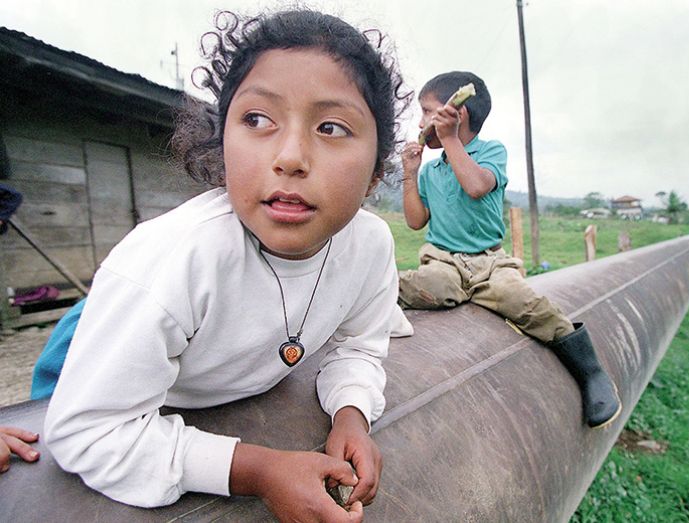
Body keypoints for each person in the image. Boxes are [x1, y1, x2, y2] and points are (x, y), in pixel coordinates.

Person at [44, 9, 411, 521]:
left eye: (331, 126)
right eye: (257, 120)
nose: (290, 157)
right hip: (100, 340)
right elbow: (88, 429)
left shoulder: (370, 245)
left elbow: (359, 344)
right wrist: (259, 470)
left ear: (376, 172)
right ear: (222, 143)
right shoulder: (173, 261)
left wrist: (351, 414)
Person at [398, 71, 621, 429]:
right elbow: (415, 220)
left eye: (427, 112)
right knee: (427, 286)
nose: (421, 122)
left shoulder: (490, 152)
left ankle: (592, 373)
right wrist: (410, 173)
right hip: (443, 259)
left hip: (490, 263)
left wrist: (449, 138)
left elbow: (475, 187)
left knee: (528, 305)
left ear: (458, 114)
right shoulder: (431, 170)